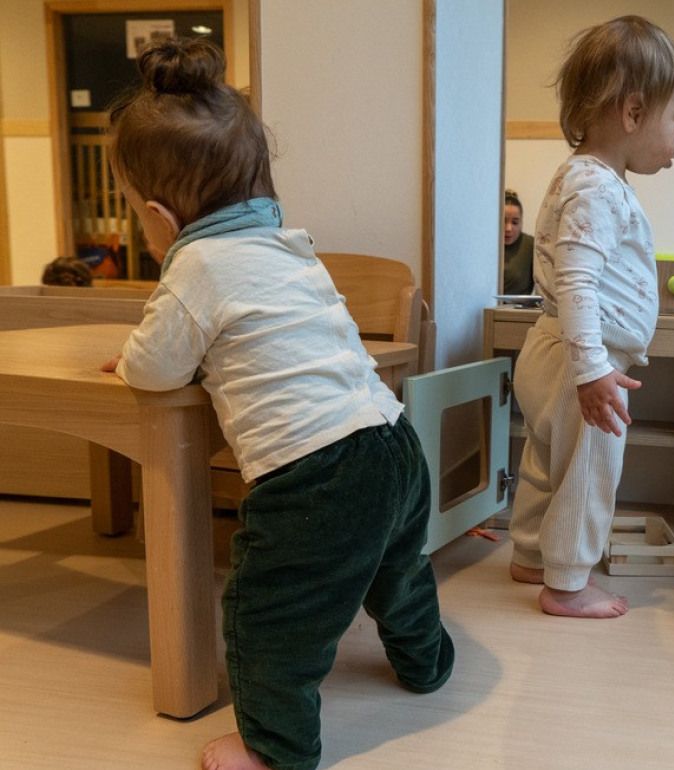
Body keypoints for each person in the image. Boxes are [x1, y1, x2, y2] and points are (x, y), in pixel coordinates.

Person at [101, 38, 452, 770]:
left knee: (269, 616)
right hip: (391, 439)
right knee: (399, 572)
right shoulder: (291, 247)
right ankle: (428, 663)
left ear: (161, 218)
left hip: (315, 476)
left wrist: (136, 356)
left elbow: (155, 369)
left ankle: (278, 748)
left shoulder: (196, 265)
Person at [507, 16, 674, 619]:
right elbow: (578, 280)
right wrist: (592, 370)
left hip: (553, 348)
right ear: (634, 113)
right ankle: (567, 584)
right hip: (579, 358)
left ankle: (532, 556)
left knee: (547, 464)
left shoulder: (586, 178)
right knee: (589, 471)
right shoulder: (597, 188)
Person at [502, 189, 535, 295]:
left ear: (521, 222)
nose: (508, 228)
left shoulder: (531, 246)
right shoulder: (485, 245)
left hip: (519, 310)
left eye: (515, 222)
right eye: (503, 221)